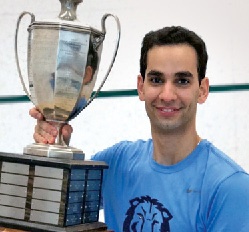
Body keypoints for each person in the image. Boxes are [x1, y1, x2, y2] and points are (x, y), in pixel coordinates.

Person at [30, 26, 249, 232]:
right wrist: (53, 147)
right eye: (156, 80)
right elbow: (50, 209)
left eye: (182, 81)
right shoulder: (114, 164)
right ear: (141, 87)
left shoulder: (230, 186)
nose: (167, 95)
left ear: (202, 90)